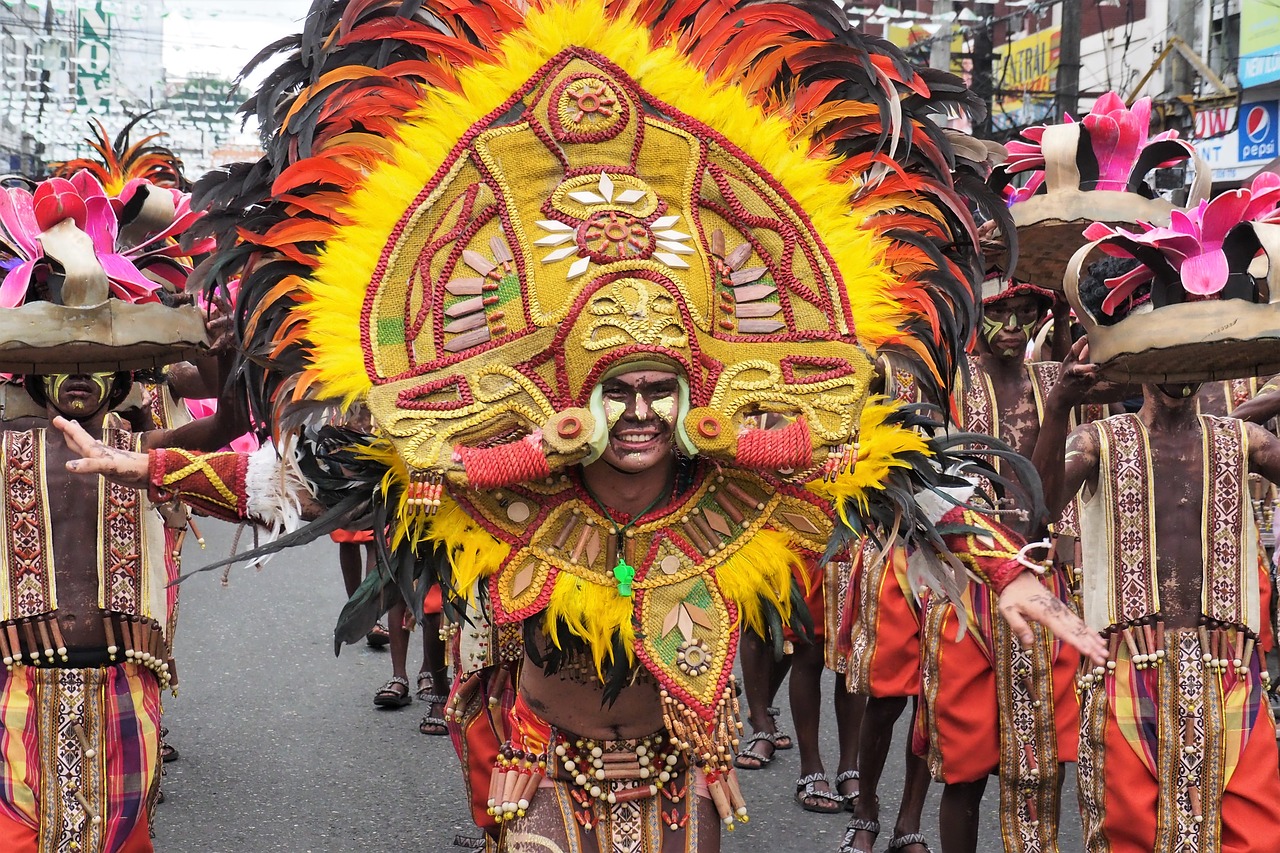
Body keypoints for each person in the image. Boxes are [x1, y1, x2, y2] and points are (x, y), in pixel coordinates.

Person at [1035, 338, 1280, 852]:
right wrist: (1057, 405)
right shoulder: (1096, 440)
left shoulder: (1245, 439)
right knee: (1130, 833)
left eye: (1189, 361)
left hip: (1228, 666)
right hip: (1129, 665)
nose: (1178, 376)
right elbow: (1042, 510)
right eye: (1164, 360)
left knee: (1254, 835)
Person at [910, 275, 1082, 853]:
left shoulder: (1058, 381)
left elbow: (1054, 497)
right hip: (967, 584)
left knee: (1041, 767)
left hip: (1041, 577)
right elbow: (923, 482)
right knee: (964, 765)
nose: (1012, 329)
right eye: (999, 314)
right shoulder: (945, 382)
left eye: (1025, 314)